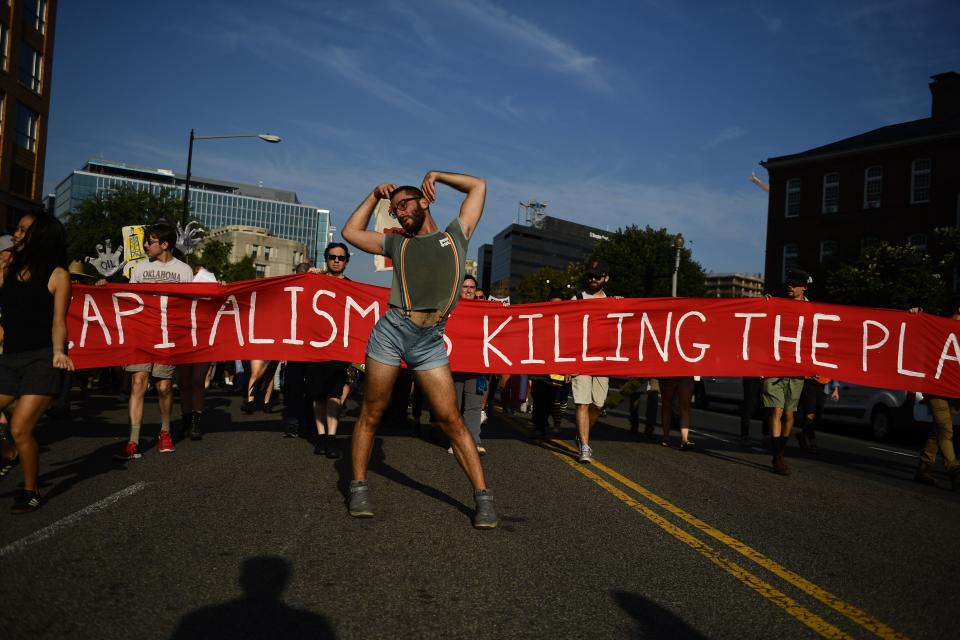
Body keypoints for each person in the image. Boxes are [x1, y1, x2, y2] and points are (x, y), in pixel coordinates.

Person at [341, 170, 497, 529]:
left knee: (452, 420)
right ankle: (359, 486)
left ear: (424, 202)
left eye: (404, 205)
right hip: (392, 332)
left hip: (430, 342)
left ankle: (483, 499)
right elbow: (351, 234)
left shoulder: (456, 236)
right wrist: (373, 195)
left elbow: (479, 186)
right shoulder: (398, 243)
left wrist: (438, 175)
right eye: (394, 210)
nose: (399, 213)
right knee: (372, 411)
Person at [0, 213, 74, 512]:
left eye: (22, 230)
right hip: (9, 358)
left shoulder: (58, 275)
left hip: (41, 358)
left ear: (40, 237)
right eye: (16, 229)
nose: (15, 234)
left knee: (20, 428)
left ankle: (30, 490)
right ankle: (8, 454)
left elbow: (59, 322)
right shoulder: (8, 267)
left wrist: (58, 351)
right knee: (13, 433)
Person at [113, 221, 195, 460]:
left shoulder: (184, 270)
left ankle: (165, 431)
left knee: (164, 387)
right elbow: (128, 299)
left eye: (150, 241)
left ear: (165, 244)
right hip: (141, 333)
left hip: (167, 337)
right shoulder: (138, 269)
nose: (146, 245)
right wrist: (105, 286)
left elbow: (191, 304)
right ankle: (133, 440)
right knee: (138, 383)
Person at [305, 243, 352, 458]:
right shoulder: (315, 280)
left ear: (346, 261)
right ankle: (321, 436)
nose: (336, 260)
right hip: (315, 347)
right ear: (326, 258)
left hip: (338, 349)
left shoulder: (353, 288)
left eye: (341, 258)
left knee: (334, 394)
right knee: (317, 395)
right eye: (332, 257)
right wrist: (309, 276)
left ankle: (331, 439)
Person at [761, 268, 810, 475]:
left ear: (804, 288)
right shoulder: (777, 305)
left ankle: (780, 449)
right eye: (788, 284)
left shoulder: (813, 309)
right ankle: (777, 457)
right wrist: (763, 305)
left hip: (797, 370)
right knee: (776, 410)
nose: (789, 287)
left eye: (793, 285)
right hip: (775, 366)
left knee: (789, 415)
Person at [911, 300, 960, 489]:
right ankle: (954, 469)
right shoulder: (938, 327)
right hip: (935, 387)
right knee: (945, 428)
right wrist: (915, 316)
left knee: (938, 430)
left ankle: (924, 468)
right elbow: (915, 336)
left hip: (956, 391)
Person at [570, 259, 614, 464]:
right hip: (581, 359)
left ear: (605, 278)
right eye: (590, 275)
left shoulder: (613, 302)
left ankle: (581, 434)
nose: (593, 279)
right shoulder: (577, 299)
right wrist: (568, 363)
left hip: (602, 360)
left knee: (598, 404)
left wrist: (622, 305)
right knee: (582, 402)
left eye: (597, 276)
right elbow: (565, 332)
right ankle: (585, 447)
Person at [447, 274, 485, 454]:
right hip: (453, 365)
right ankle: (456, 442)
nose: (469, 290)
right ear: (458, 289)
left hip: (476, 366)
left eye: (472, 287)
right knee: (454, 405)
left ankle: (474, 441)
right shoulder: (450, 308)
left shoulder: (485, 310)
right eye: (465, 286)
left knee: (474, 405)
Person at [659, 377, 696, 449]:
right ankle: (666, 438)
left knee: (683, 407)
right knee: (667, 405)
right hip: (672, 374)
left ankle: (684, 439)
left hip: (683, 375)